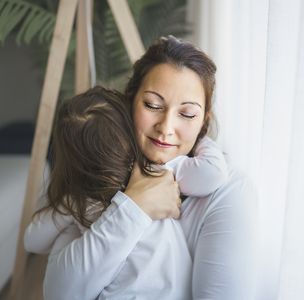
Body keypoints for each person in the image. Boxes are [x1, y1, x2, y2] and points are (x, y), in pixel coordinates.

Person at [41, 36, 258, 299]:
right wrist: (134, 206)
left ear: (203, 122)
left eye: (187, 114)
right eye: (153, 105)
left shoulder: (230, 191)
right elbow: (58, 292)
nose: (166, 128)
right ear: (129, 102)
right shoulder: (97, 170)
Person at [24, 86, 230, 299]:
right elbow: (213, 173)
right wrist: (199, 134)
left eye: (186, 114)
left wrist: (68, 207)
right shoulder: (155, 172)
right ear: (130, 135)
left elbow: (32, 241)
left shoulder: (79, 203)